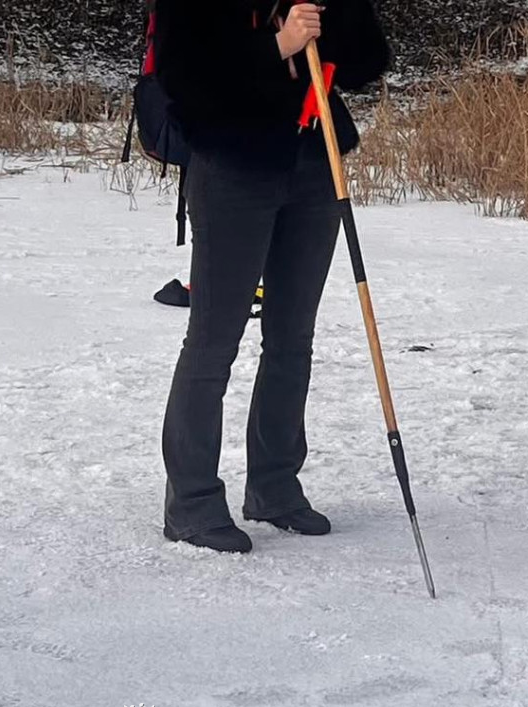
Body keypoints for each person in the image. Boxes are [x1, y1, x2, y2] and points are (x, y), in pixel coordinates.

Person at [155, 0, 389, 553]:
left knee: (292, 339)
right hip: (233, 165)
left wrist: (328, 29)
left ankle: (275, 487)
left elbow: (368, 58)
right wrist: (274, 49)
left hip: (313, 160)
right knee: (214, 340)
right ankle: (191, 503)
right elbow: (183, 76)